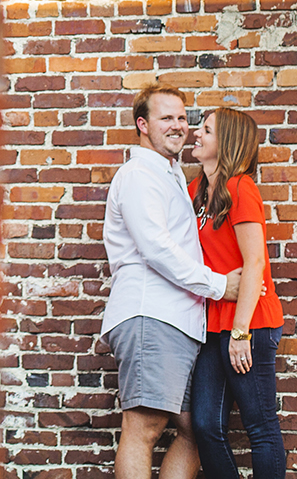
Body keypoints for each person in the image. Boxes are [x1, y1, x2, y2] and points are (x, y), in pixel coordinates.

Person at [102, 84, 242, 479]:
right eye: (167, 118)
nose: (178, 126)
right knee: (143, 427)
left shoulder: (173, 176)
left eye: (182, 117)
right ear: (142, 125)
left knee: (195, 430)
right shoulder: (138, 176)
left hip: (178, 323)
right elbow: (157, 249)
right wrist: (219, 285)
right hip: (152, 315)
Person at [187, 106, 288, 479]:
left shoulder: (241, 189)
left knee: (259, 427)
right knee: (205, 426)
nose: (196, 133)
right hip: (213, 327)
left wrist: (241, 332)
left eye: (207, 130)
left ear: (225, 142)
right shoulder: (195, 190)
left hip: (249, 325)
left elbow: (255, 263)